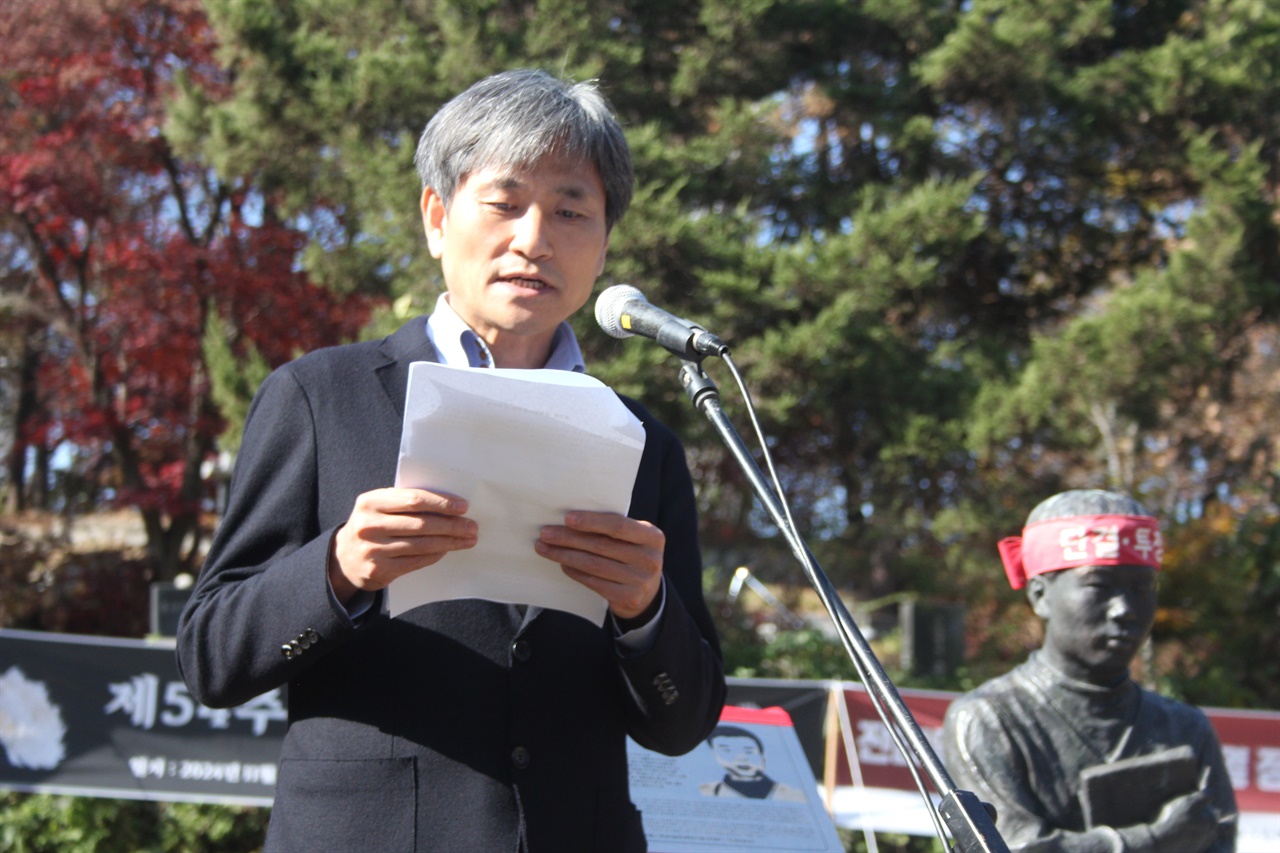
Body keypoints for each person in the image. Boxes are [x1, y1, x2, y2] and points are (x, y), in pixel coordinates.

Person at [176, 69, 727, 853]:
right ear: (437, 218)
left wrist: (646, 613)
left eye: (571, 211)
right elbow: (210, 656)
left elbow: (683, 721)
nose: (533, 239)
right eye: (504, 203)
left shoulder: (644, 444)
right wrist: (336, 570)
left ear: (604, 247)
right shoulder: (318, 396)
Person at [942, 489, 1237, 852]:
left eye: (1142, 587)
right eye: (1098, 586)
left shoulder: (1186, 728)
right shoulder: (988, 720)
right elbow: (1011, 846)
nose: (1124, 609)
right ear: (1039, 595)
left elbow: (1218, 838)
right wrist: (1154, 840)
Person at [698, 724, 806, 802]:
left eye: (748, 751)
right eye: (727, 750)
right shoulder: (706, 792)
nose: (741, 758)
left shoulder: (794, 795)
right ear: (715, 755)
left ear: (763, 757)